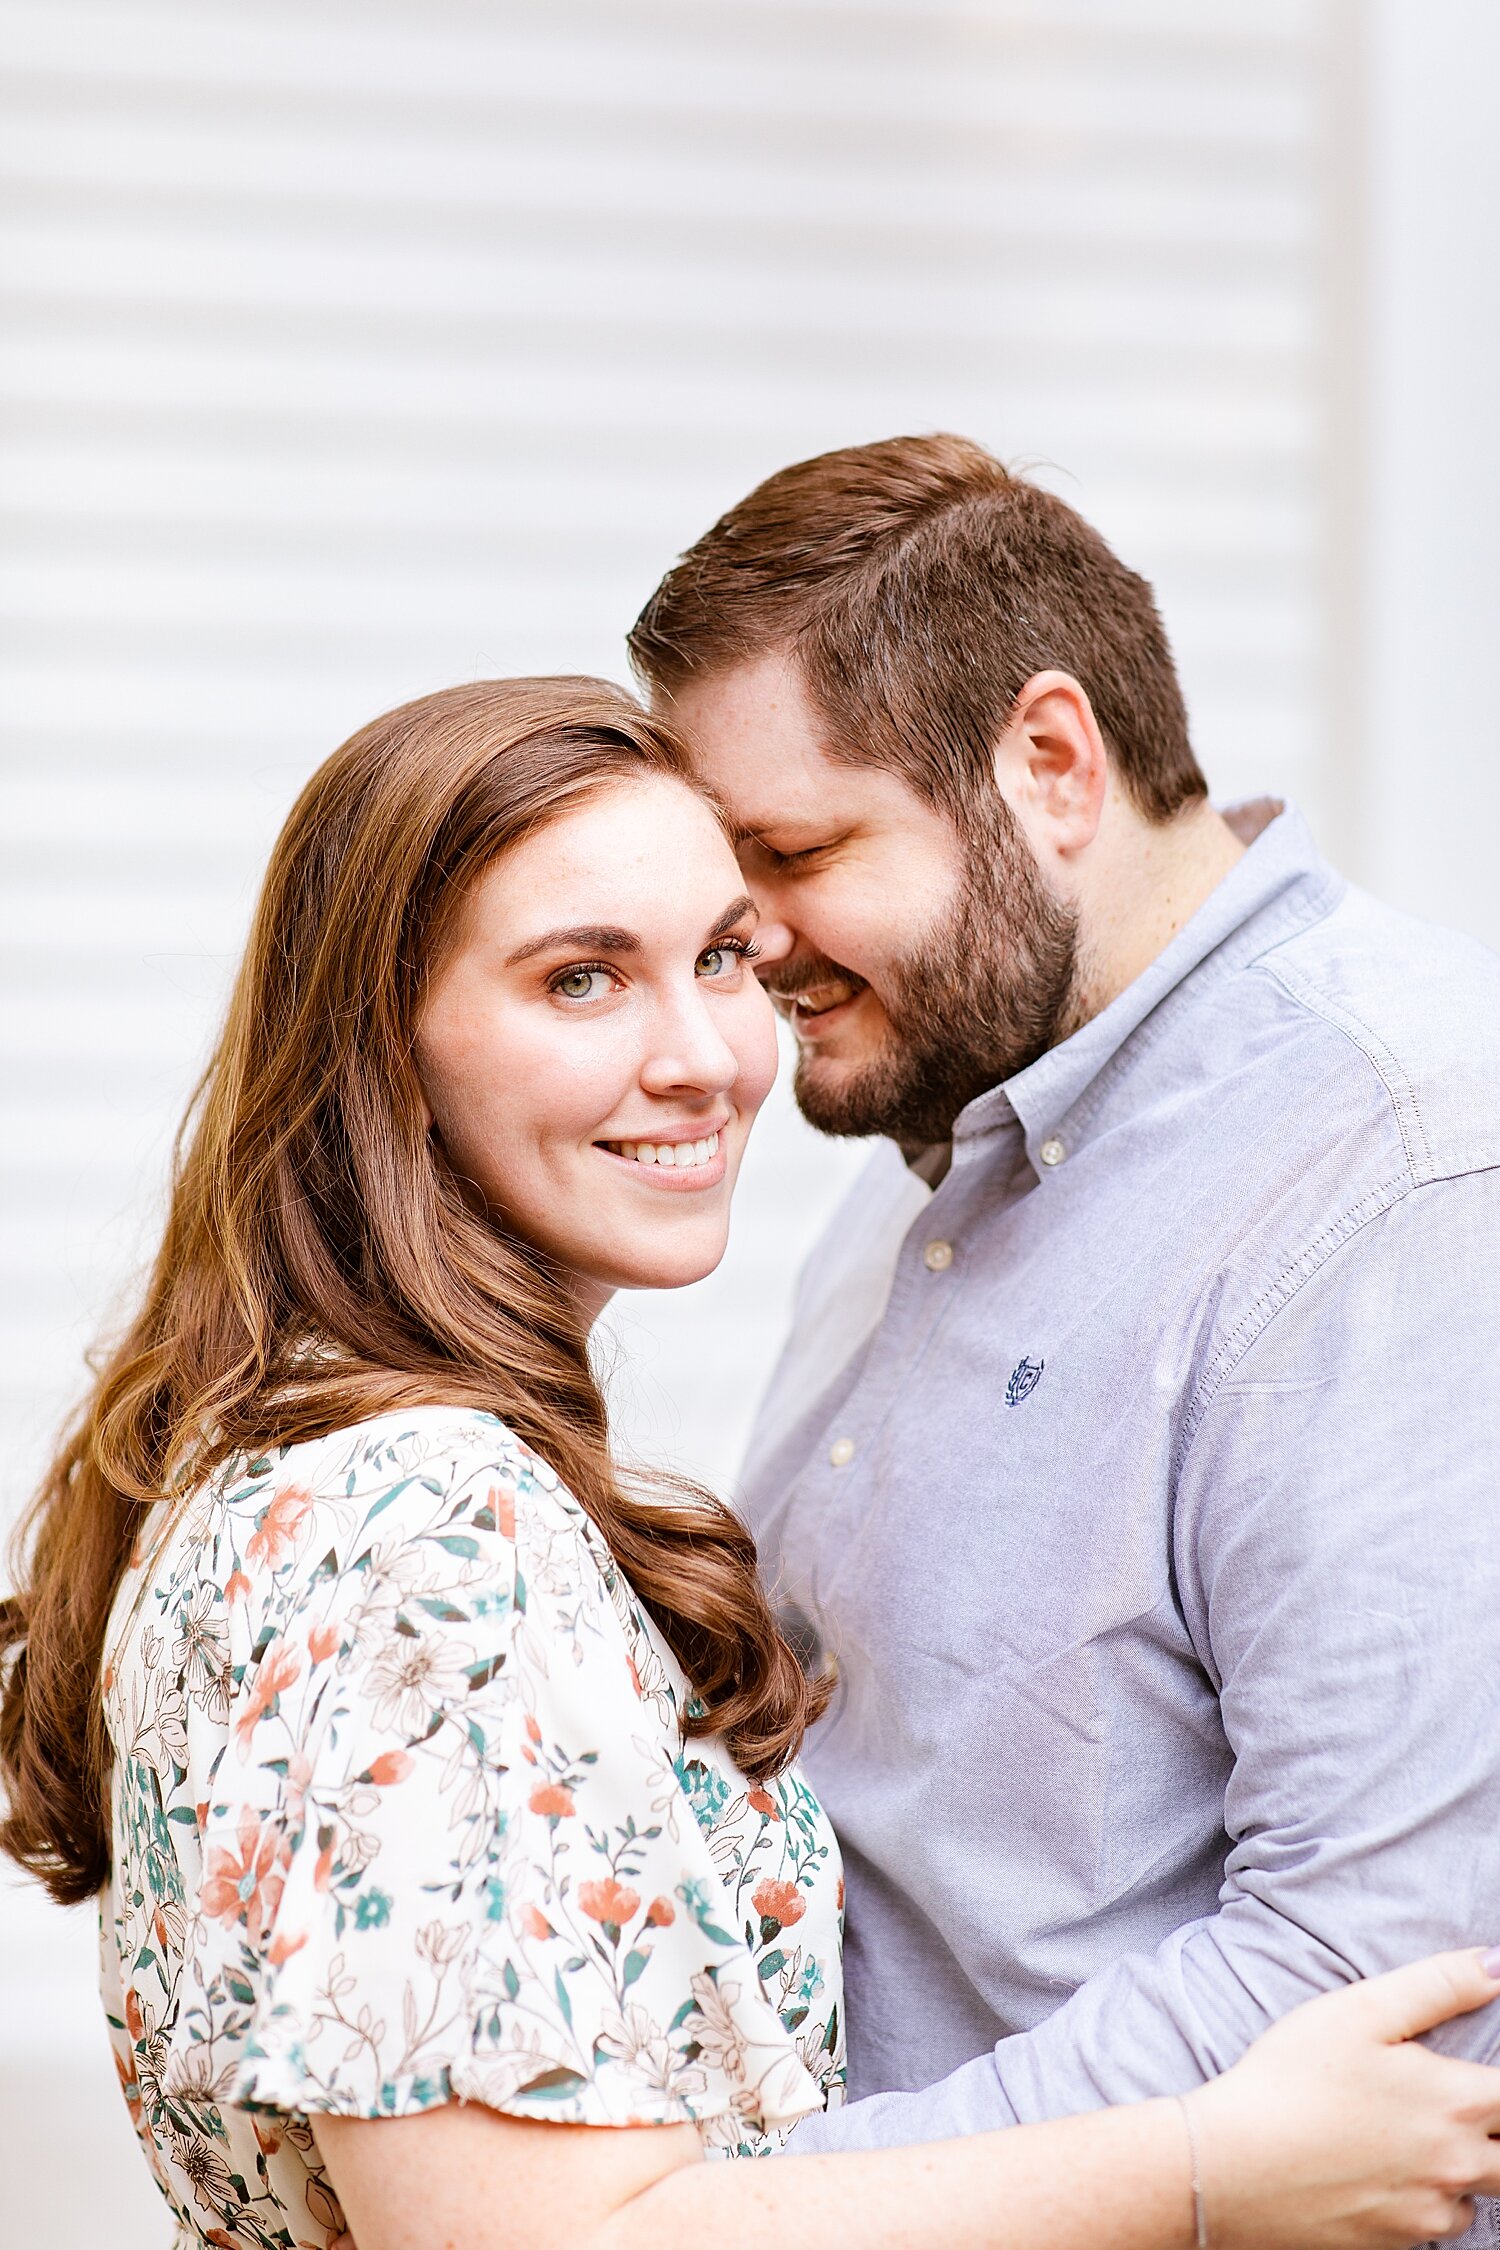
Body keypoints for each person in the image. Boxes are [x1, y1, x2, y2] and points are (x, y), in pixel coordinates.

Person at [2, 676, 1499, 2250]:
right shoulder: (425, 1522)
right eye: (582, 980)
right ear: (384, 1045)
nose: (708, 1055)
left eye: (722, 957)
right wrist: (1201, 2166)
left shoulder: (301, 1436)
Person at [626, 434, 1500, 2203]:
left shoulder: (1413, 1174)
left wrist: (755, 2212)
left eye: (794, 852)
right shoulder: (930, 1130)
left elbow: (1387, 1974)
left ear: (1048, 761)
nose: (748, 948)